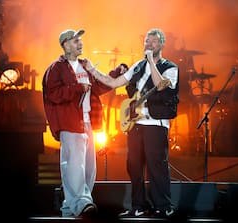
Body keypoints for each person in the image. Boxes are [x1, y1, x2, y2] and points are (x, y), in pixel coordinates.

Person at [85, 28, 179, 218]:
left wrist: (151, 61)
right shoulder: (137, 66)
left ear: (162, 44)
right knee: (134, 165)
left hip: (156, 123)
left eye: (153, 41)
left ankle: (163, 206)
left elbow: (160, 86)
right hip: (136, 124)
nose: (149, 44)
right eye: (147, 41)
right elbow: (113, 83)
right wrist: (91, 69)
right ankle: (138, 206)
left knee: (156, 166)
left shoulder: (170, 67)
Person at [42, 29, 128, 218]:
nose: (80, 44)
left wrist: (116, 74)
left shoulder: (83, 66)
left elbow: (98, 87)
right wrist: (76, 88)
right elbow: (53, 94)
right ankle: (81, 203)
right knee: (74, 165)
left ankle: (72, 207)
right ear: (65, 44)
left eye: (80, 40)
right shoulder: (56, 68)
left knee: (88, 167)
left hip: (87, 122)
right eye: (75, 41)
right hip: (70, 122)